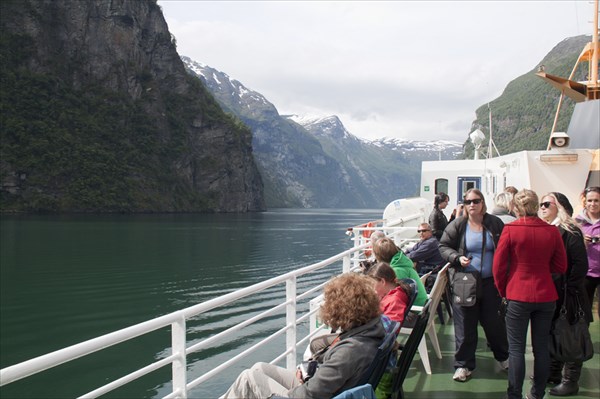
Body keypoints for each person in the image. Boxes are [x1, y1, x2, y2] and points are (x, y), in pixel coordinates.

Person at [219, 273, 384, 399]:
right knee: (259, 367)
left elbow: (310, 393)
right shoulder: (369, 331)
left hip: (305, 394)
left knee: (249, 378)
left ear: (342, 310)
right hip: (316, 389)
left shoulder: (350, 351)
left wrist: (302, 384)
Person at [493, 189, 568, 399]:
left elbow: (498, 267)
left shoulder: (510, 230)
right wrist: (544, 270)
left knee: (516, 350)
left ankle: (514, 395)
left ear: (515, 207)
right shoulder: (551, 231)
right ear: (536, 207)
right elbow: (561, 266)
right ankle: (537, 394)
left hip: (517, 294)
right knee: (541, 348)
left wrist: (503, 290)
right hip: (545, 294)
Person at [438, 188, 509, 382]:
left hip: (490, 282)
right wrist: (456, 257)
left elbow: (506, 247)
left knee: (494, 323)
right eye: (468, 201)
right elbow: (443, 246)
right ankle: (463, 365)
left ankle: (504, 357)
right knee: (465, 326)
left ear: (482, 203)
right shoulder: (458, 225)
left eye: (476, 201)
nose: (472, 205)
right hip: (465, 281)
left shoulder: (494, 223)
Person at [539, 192, 591, 397]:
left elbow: (580, 265)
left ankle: (570, 380)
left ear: (559, 207)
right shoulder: (547, 230)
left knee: (571, 335)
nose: (542, 208)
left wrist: (569, 289)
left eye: (546, 204)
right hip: (551, 292)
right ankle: (553, 372)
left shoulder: (570, 231)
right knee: (552, 331)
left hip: (569, 294)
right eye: (541, 204)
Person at [373, 237, 428, 307]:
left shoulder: (397, 270)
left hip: (415, 309)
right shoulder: (402, 262)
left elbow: (395, 297)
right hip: (419, 305)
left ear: (379, 256)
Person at [575, 187, 600, 321]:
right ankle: (584, 340)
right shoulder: (578, 222)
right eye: (590, 200)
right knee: (584, 310)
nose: (593, 204)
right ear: (585, 202)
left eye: (596, 200)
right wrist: (582, 242)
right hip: (586, 273)